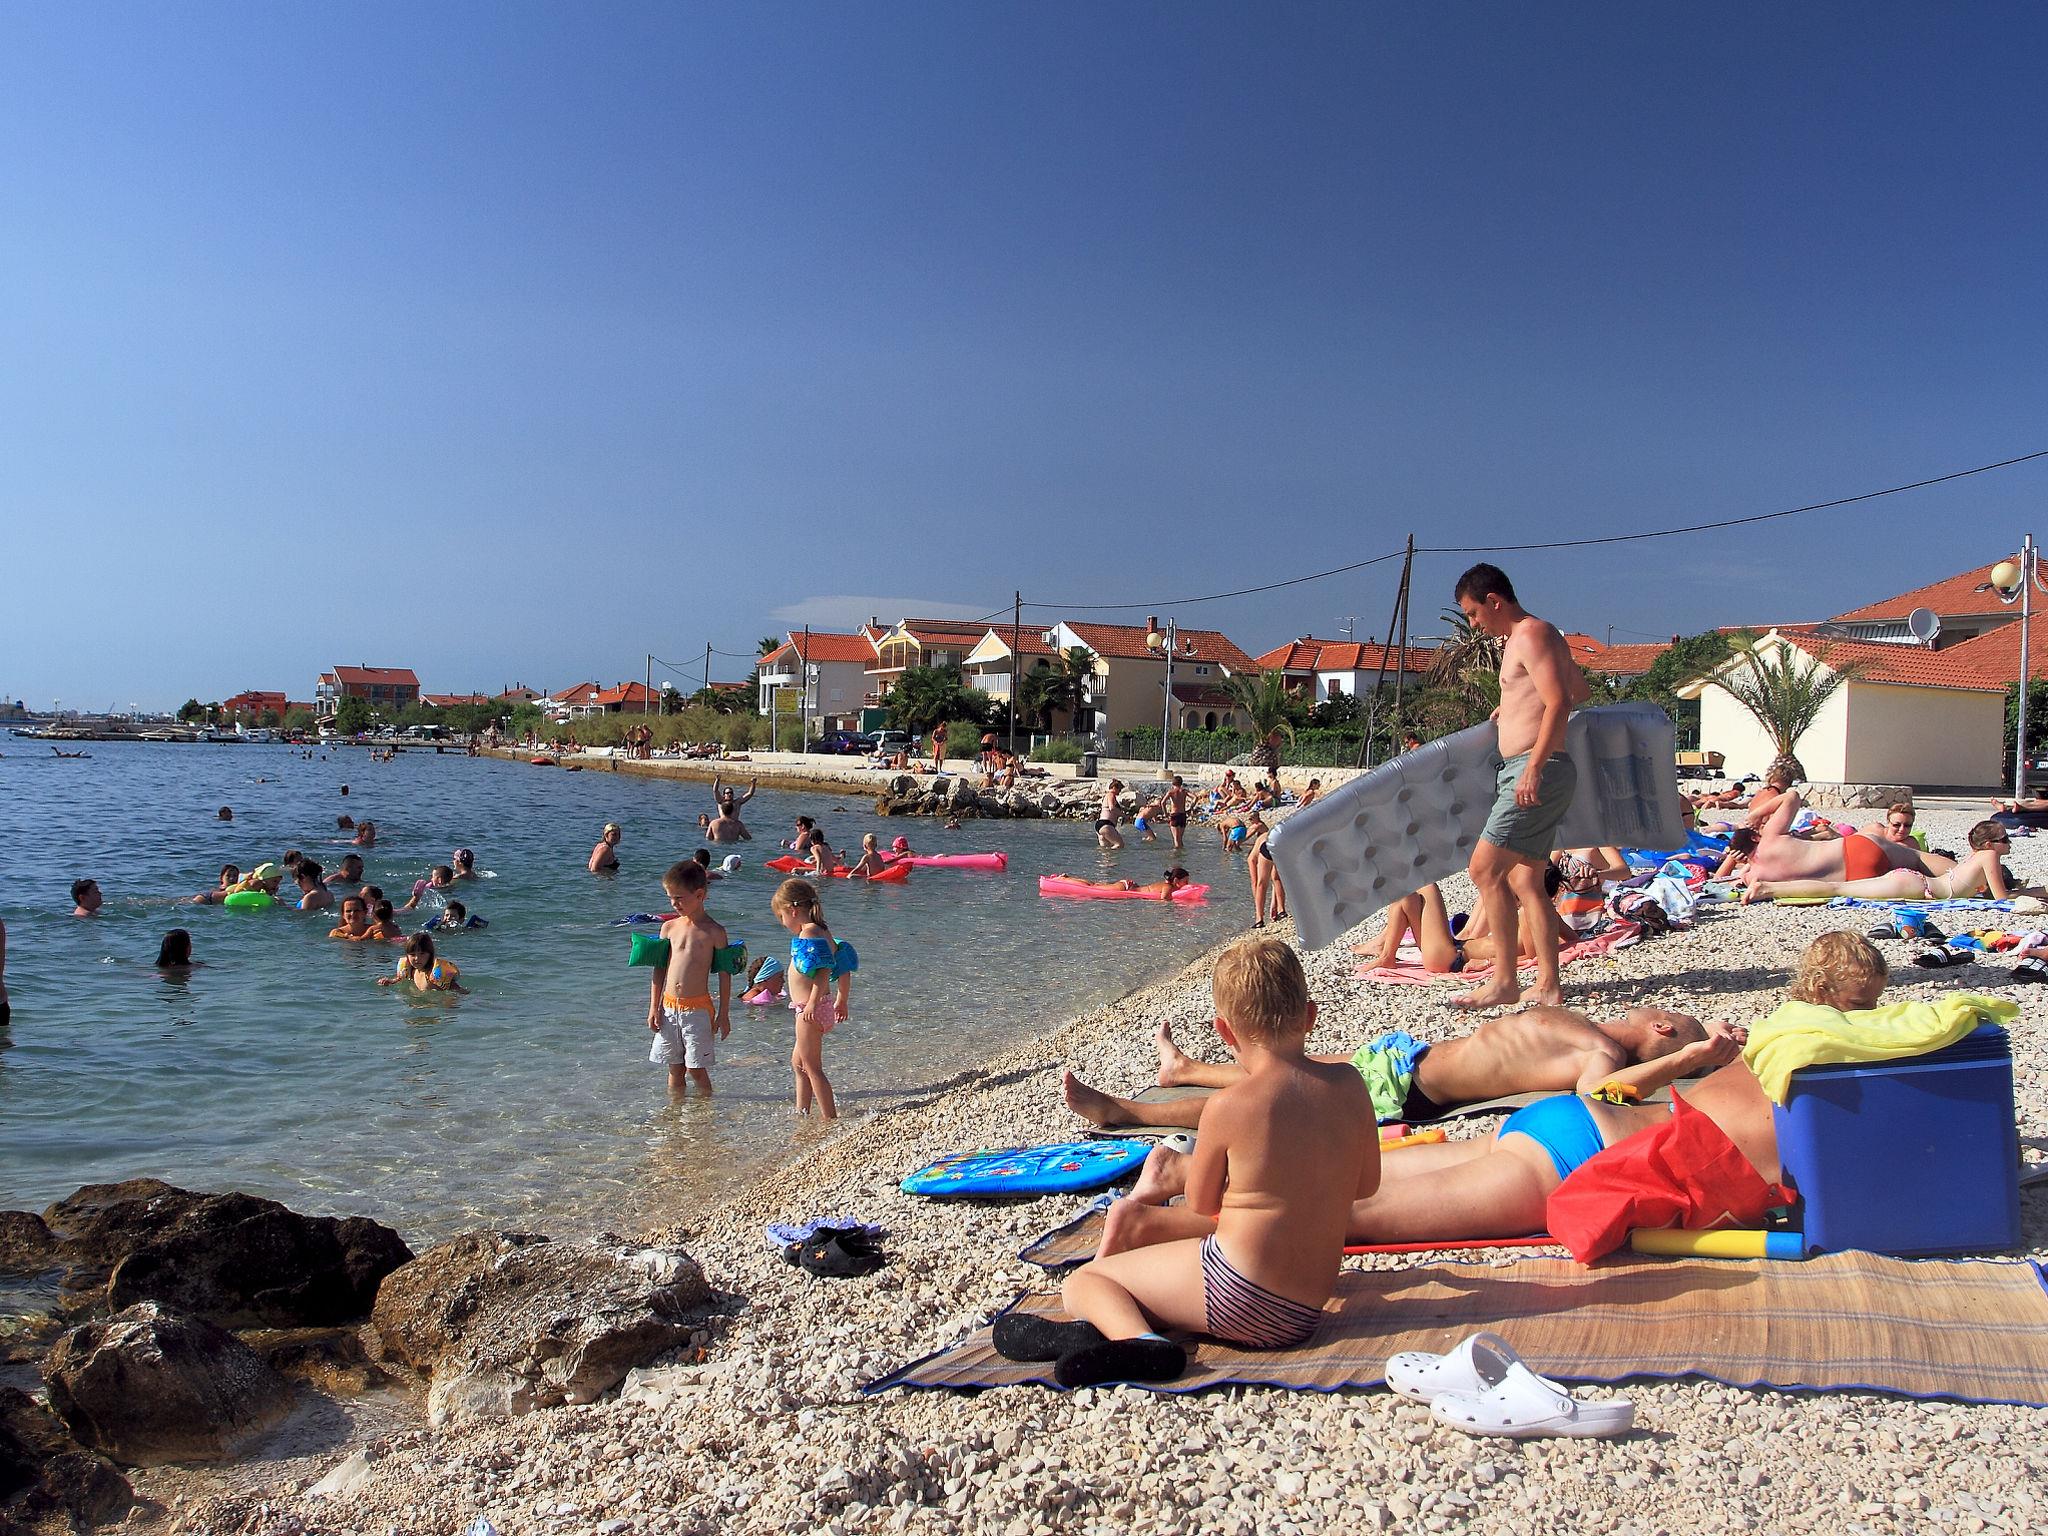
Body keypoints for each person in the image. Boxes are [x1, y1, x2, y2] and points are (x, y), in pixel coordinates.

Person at [1003, 939, 1377, 1387]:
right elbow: (1366, 1185)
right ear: (1311, 1016)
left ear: (1225, 1032)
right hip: (1306, 1308)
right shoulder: (1351, 1085)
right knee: (1159, 1263)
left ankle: (1143, 1344)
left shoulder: (1228, 1107)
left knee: (1086, 1283)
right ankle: (1113, 1329)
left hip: (1240, 1296)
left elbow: (1201, 1202)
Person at [1066, 998, 1713, 1134]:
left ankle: (1128, 1112)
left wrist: (1687, 1059)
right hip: (1410, 1057)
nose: (1661, 1007)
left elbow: (1605, 1094)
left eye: (1672, 1014)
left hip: (1412, 1088)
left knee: (1274, 1093)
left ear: (1661, 1029)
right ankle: (1186, 1069)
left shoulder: (1602, 1054)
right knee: (1292, 1062)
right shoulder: (1592, 1029)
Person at [1450, 563, 1590, 1010]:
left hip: (1534, 769)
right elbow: (1579, 689)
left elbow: (1561, 702)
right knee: (1526, 878)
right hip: (1532, 767)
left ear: (1494, 601)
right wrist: (1511, 707)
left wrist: (1534, 766)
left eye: (1474, 614)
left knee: (1484, 870)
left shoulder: (1531, 634)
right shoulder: (1529, 638)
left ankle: (1505, 981)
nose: (1474, 624)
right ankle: (1548, 984)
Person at [1743, 810, 2010, 902]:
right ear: (1989, 844)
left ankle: (1769, 888)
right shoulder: (1987, 858)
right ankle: (1769, 889)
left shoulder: (1972, 860)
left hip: (1906, 876)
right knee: (1835, 889)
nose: (2009, 844)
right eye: (2005, 840)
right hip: (1914, 884)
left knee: (1836, 888)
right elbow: (2002, 899)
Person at [645, 861, 734, 1098]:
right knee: (674, 1067)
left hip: (697, 1010)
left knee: (695, 1068)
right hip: (668, 1007)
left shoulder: (714, 931)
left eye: (679, 898)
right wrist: (654, 1007)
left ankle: (705, 1110)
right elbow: (659, 969)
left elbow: (725, 975)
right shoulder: (668, 928)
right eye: (670, 898)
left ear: (700, 895)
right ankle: (674, 1112)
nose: (674, 904)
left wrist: (724, 1013)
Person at [774, 878, 841, 1119]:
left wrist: (811, 1003)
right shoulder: (821, 929)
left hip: (810, 1009)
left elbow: (823, 970)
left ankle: (829, 1118)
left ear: (792, 911)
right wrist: (841, 998)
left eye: (782, 917)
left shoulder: (809, 932)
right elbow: (841, 959)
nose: (783, 923)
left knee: (812, 1068)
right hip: (816, 1006)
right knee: (799, 1064)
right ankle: (802, 1113)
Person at [378, 932, 467, 993]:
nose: (417, 958)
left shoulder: (434, 974)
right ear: (407, 956)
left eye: (422, 954)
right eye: (412, 955)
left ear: (430, 954)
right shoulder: (411, 971)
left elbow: (458, 990)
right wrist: (389, 982)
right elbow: (399, 979)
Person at [1244, 811, 1286, 928]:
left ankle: (1259, 919)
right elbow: (1275, 881)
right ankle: (1281, 910)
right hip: (1281, 843)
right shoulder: (1264, 835)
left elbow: (1255, 883)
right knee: (1277, 879)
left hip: (1267, 845)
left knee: (1261, 884)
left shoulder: (1251, 858)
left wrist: (1258, 906)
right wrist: (1273, 904)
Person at [1049, 868, 1192, 899]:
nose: (1188, 883)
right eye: (1185, 881)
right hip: (1126, 888)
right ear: (1176, 881)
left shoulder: (1168, 885)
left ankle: (1068, 877)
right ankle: (1063, 880)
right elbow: (1164, 899)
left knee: (1095, 884)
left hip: (1130, 886)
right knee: (1093, 887)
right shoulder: (1168, 887)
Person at [1096, 779, 1126, 850]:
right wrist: (1123, 815)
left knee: (1106, 849)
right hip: (1106, 824)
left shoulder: (1107, 796)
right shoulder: (1111, 794)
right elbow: (1111, 808)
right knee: (1119, 844)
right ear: (1114, 788)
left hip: (1100, 825)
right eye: (1119, 789)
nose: (1120, 792)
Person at [1165, 775, 1190, 851]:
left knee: (1176, 839)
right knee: (1180, 839)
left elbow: (1162, 802)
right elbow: (1195, 797)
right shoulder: (1184, 791)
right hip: (1182, 815)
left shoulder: (1171, 792)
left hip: (1174, 815)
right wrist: (1190, 808)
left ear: (1173, 783)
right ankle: (1182, 855)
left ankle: (1176, 856)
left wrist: (1165, 813)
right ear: (1181, 783)